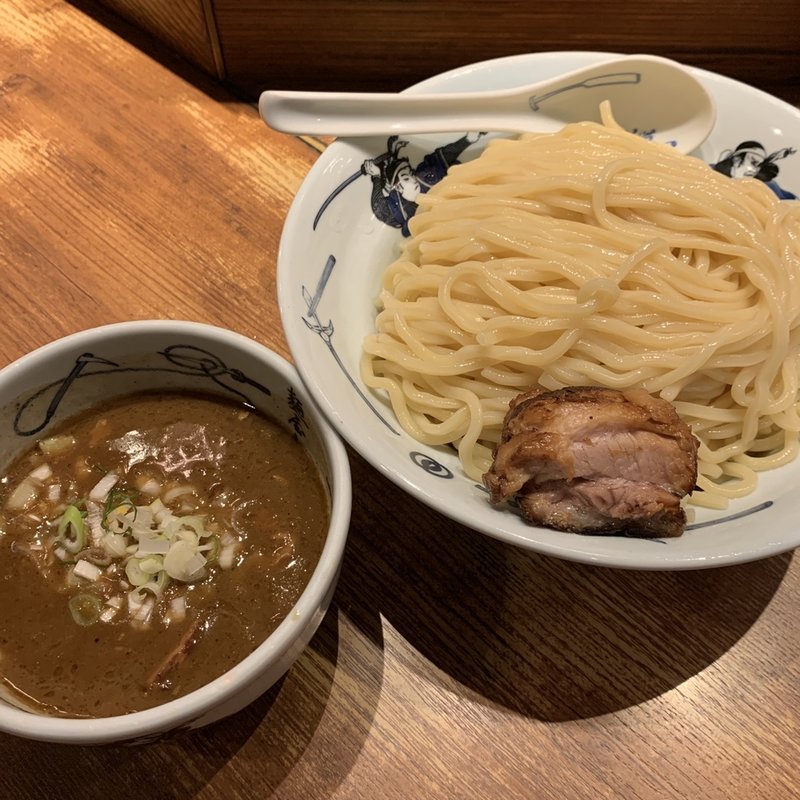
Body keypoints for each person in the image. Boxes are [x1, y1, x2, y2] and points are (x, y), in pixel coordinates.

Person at [363, 133, 484, 235]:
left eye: (411, 174)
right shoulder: (397, 207)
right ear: (398, 187)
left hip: (472, 213)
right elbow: (379, 207)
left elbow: (442, 156)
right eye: (406, 178)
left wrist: (467, 140)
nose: (413, 180)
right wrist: (377, 177)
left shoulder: (426, 178)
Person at [712, 140, 797, 199]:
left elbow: (789, 202)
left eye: (759, 165)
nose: (754, 170)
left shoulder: (766, 187)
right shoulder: (709, 171)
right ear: (736, 159)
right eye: (753, 162)